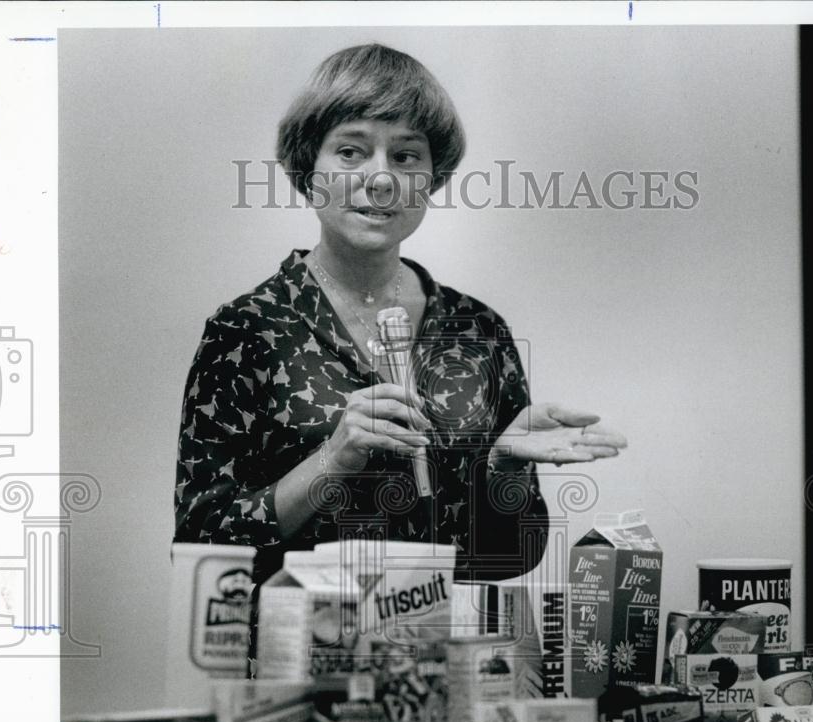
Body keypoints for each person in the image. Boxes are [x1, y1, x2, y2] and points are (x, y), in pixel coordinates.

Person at [174, 43, 626, 586]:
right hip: (295, 662)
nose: (382, 177)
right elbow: (200, 550)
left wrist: (504, 470)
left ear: (431, 178)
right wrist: (332, 461)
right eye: (350, 151)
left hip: (439, 663)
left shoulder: (477, 328)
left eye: (406, 156)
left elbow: (507, 560)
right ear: (307, 167)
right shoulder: (247, 330)